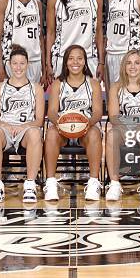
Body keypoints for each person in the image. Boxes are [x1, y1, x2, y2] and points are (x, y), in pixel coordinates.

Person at [43, 45, 104, 201]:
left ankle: (93, 182)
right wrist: (58, 123)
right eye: (71, 58)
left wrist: (87, 123)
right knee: (50, 133)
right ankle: (50, 182)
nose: (75, 62)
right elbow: (51, 111)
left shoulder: (93, 84)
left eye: (79, 58)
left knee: (95, 133)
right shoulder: (58, 84)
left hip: (86, 128)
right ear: (65, 62)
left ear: (85, 61)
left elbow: (97, 112)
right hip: (62, 128)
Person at [0, 46, 45, 203]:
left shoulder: (36, 88)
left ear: (28, 64)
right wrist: (6, 126)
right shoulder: (0, 88)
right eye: (15, 63)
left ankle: (30, 185)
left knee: (35, 132)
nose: (18, 67)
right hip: (5, 129)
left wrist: (23, 127)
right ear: (9, 65)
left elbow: (39, 120)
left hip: (26, 130)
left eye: (22, 63)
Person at [105, 50, 140, 202]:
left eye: (137, 63)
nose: (132, 66)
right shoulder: (116, 87)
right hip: (123, 128)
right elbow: (114, 117)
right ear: (123, 66)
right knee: (111, 135)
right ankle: (115, 184)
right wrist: (124, 128)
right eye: (129, 63)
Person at [46, 0, 105, 83]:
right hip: (62, 57)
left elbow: (99, 31)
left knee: (90, 100)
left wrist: (101, 62)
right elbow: (50, 33)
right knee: (62, 100)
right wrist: (48, 63)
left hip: (89, 57)